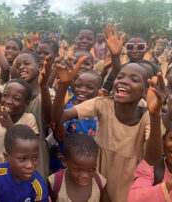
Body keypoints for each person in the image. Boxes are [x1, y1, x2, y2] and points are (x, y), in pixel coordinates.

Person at [51, 23, 165, 201]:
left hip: (128, 182)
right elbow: (57, 117)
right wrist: (64, 85)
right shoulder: (102, 104)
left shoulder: (147, 116)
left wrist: (156, 115)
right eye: (120, 77)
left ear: (145, 91)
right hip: (96, 175)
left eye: (134, 79)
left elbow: (152, 158)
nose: (123, 82)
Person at [0, 49, 54, 179]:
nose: (21, 68)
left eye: (26, 63)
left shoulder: (48, 93)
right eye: (18, 65)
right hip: (5, 149)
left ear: (39, 67)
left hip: (36, 152)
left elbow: (49, 119)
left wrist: (44, 87)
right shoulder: (10, 87)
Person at [0, 124, 49, 202]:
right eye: (23, 159)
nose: (30, 165)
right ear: (7, 157)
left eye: (35, 158)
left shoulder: (38, 187)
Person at [48, 133, 110, 202]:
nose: (85, 176)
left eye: (92, 169)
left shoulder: (99, 182)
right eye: (78, 170)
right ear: (64, 161)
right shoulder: (54, 183)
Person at [128, 123, 172, 201]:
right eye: (171, 138)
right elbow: (133, 199)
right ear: (163, 140)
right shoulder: (151, 166)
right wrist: (167, 186)